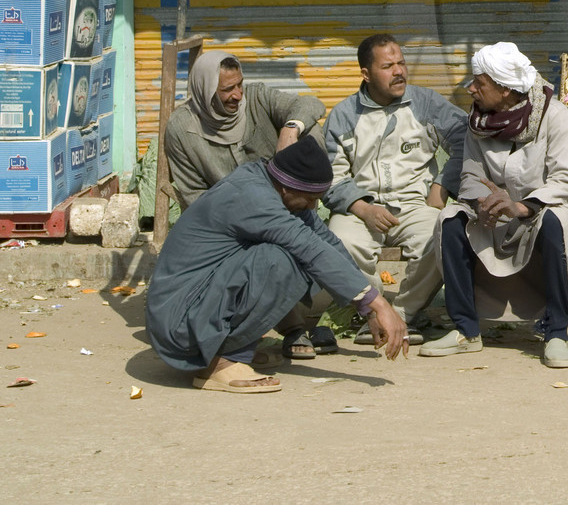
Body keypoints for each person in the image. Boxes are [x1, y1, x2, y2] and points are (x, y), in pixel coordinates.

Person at [145, 135, 409, 394]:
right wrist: (379, 304)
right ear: (286, 187)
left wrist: (367, 310)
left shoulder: (277, 188)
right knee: (281, 261)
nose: (312, 205)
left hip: (194, 308)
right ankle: (220, 362)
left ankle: (230, 347)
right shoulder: (252, 196)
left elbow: (327, 243)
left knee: (301, 253)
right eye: (308, 199)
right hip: (179, 324)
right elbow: (311, 249)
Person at [422, 43, 568, 369]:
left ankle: (557, 332)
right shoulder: (478, 122)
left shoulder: (556, 118)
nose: (470, 88)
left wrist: (523, 206)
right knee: (451, 218)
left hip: (542, 211)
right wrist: (482, 202)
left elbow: (566, 183)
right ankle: (465, 331)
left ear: (504, 89)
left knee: (557, 221)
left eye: (479, 83)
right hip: (496, 216)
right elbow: (470, 174)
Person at [323, 34, 468, 345]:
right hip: (361, 208)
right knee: (339, 240)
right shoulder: (344, 115)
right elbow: (331, 177)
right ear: (366, 74)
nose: (399, 71)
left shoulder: (427, 103)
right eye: (388, 66)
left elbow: (466, 141)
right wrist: (362, 207)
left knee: (443, 234)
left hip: (415, 205)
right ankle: (372, 314)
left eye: (401, 63)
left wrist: (442, 186)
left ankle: (402, 314)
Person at [164, 52, 326, 211]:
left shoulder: (257, 97)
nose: (238, 95)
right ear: (206, 91)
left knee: (309, 129)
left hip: (285, 202)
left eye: (240, 84)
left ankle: (306, 208)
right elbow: (194, 193)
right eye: (228, 89)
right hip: (232, 214)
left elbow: (309, 104)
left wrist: (289, 130)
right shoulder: (181, 128)